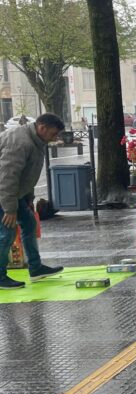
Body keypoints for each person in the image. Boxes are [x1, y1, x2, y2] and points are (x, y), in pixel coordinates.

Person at [0, 113, 66, 289]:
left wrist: (28, 198)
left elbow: (28, 174)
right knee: (7, 232)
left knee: (28, 223)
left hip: (15, 194)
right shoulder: (19, 142)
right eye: (53, 134)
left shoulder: (37, 141)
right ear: (42, 128)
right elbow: (7, 177)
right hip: (4, 193)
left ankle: (36, 268)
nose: (55, 138)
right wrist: (9, 209)